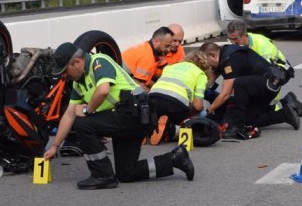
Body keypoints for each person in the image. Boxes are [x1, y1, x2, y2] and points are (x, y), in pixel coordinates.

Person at [43, 42, 193, 189]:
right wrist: (55, 146)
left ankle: (103, 175)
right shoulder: (78, 83)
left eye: (65, 70)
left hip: (133, 115)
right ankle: (175, 159)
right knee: (127, 173)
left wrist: (86, 110)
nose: (64, 75)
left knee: (83, 124)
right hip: (126, 118)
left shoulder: (98, 62)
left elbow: (103, 90)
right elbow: (69, 114)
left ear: (77, 62)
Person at [201, 41, 300, 140]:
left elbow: (225, 94)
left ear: (213, 55)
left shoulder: (230, 59)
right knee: (250, 121)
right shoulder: (223, 57)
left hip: (266, 86)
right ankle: (285, 113)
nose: (207, 66)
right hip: (260, 89)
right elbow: (212, 78)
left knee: (239, 83)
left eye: (206, 62)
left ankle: (237, 127)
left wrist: (207, 111)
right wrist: (200, 91)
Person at [223, 20, 302, 125]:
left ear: (244, 36)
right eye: (230, 39)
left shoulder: (262, 45)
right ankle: (287, 100)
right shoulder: (237, 43)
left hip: (279, 70)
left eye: (235, 39)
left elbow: (270, 76)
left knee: (263, 108)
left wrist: (269, 102)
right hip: (261, 71)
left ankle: (284, 105)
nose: (232, 43)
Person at [147, 50, 213, 145]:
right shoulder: (200, 74)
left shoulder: (170, 67)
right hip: (174, 104)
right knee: (189, 126)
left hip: (153, 98)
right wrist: (200, 112)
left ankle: (148, 129)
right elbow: (197, 106)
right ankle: (170, 129)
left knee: (155, 115)